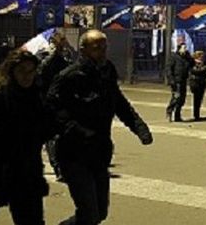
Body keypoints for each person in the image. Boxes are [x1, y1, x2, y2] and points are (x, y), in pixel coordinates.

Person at [45, 29, 153, 225]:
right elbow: (53, 110)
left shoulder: (107, 70)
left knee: (100, 213)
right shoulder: (69, 76)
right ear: (83, 49)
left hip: (100, 152)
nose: (102, 52)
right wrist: (77, 129)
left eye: (104, 47)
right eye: (97, 48)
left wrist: (139, 127)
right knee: (89, 213)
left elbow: (119, 102)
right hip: (74, 153)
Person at [0, 50, 51, 224]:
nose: (27, 76)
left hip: (27, 173)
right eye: (22, 71)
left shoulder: (38, 97)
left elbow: (45, 128)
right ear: (12, 72)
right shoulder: (0, 98)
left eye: (31, 71)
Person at [38, 31, 72, 181]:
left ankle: (57, 166)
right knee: (52, 137)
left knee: (50, 137)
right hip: (52, 102)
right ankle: (58, 167)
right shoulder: (59, 61)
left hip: (51, 101)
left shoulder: (51, 61)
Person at [166, 43, 194, 122]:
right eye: (183, 48)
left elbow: (192, 64)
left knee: (182, 99)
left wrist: (190, 57)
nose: (185, 49)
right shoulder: (174, 57)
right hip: (176, 81)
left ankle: (177, 115)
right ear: (179, 49)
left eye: (185, 48)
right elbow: (169, 68)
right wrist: (171, 79)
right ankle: (169, 111)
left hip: (183, 80)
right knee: (176, 97)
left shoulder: (186, 58)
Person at [189, 50, 206, 121]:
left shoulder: (204, 64)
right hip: (195, 83)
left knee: (200, 99)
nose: (202, 58)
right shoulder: (193, 63)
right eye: (200, 56)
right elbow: (194, 71)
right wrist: (204, 70)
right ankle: (196, 115)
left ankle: (197, 113)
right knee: (196, 99)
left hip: (202, 83)